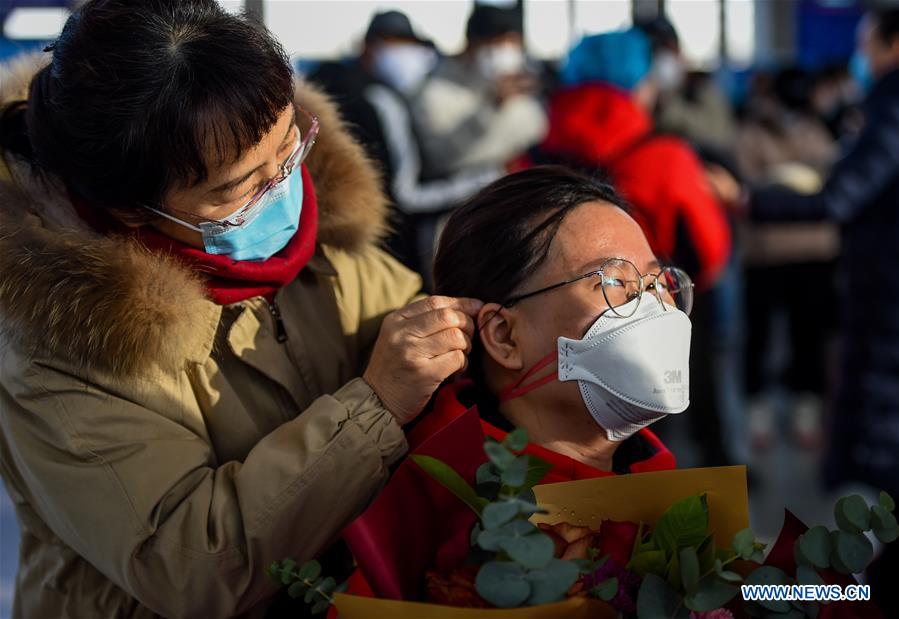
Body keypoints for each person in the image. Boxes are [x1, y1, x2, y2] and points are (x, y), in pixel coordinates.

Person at [0, 1, 482, 617]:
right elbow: (189, 565)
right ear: (129, 209)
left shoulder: (326, 236)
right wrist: (375, 406)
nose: (284, 187)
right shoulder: (62, 342)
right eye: (239, 189)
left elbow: (421, 329)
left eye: (289, 148)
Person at [747, 9, 899, 612]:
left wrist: (748, 202)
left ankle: (818, 594)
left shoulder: (892, 104)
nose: (862, 54)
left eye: (867, 42)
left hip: (888, 302)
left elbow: (841, 194)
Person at [534, 28, 734, 467]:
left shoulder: (533, 151)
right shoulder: (665, 155)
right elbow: (710, 253)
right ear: (641, 83)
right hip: (651, 309)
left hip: (555, 325)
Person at [415, 166, 693, 481]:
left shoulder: (660, 482)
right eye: (613, 279)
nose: (655, 305)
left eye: (657, 282)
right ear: (505, 337)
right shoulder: (437, 507)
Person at [309, 11, 500, 282]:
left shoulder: (324, 86)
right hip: (382, 254)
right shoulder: (383, 102)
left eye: (411, 46)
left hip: (321, 247)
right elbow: (406, 196)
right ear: (369, 47)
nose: (409, 55)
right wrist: (481, 181)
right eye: (397, 44)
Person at [409, 3, 547, 180]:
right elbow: (440, 159)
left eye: (512, 43)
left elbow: (535, 133)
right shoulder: (433, 94)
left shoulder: (517, 88)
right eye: (497, 43)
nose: (506, 52)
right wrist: (492, 106)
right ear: (471, 45)